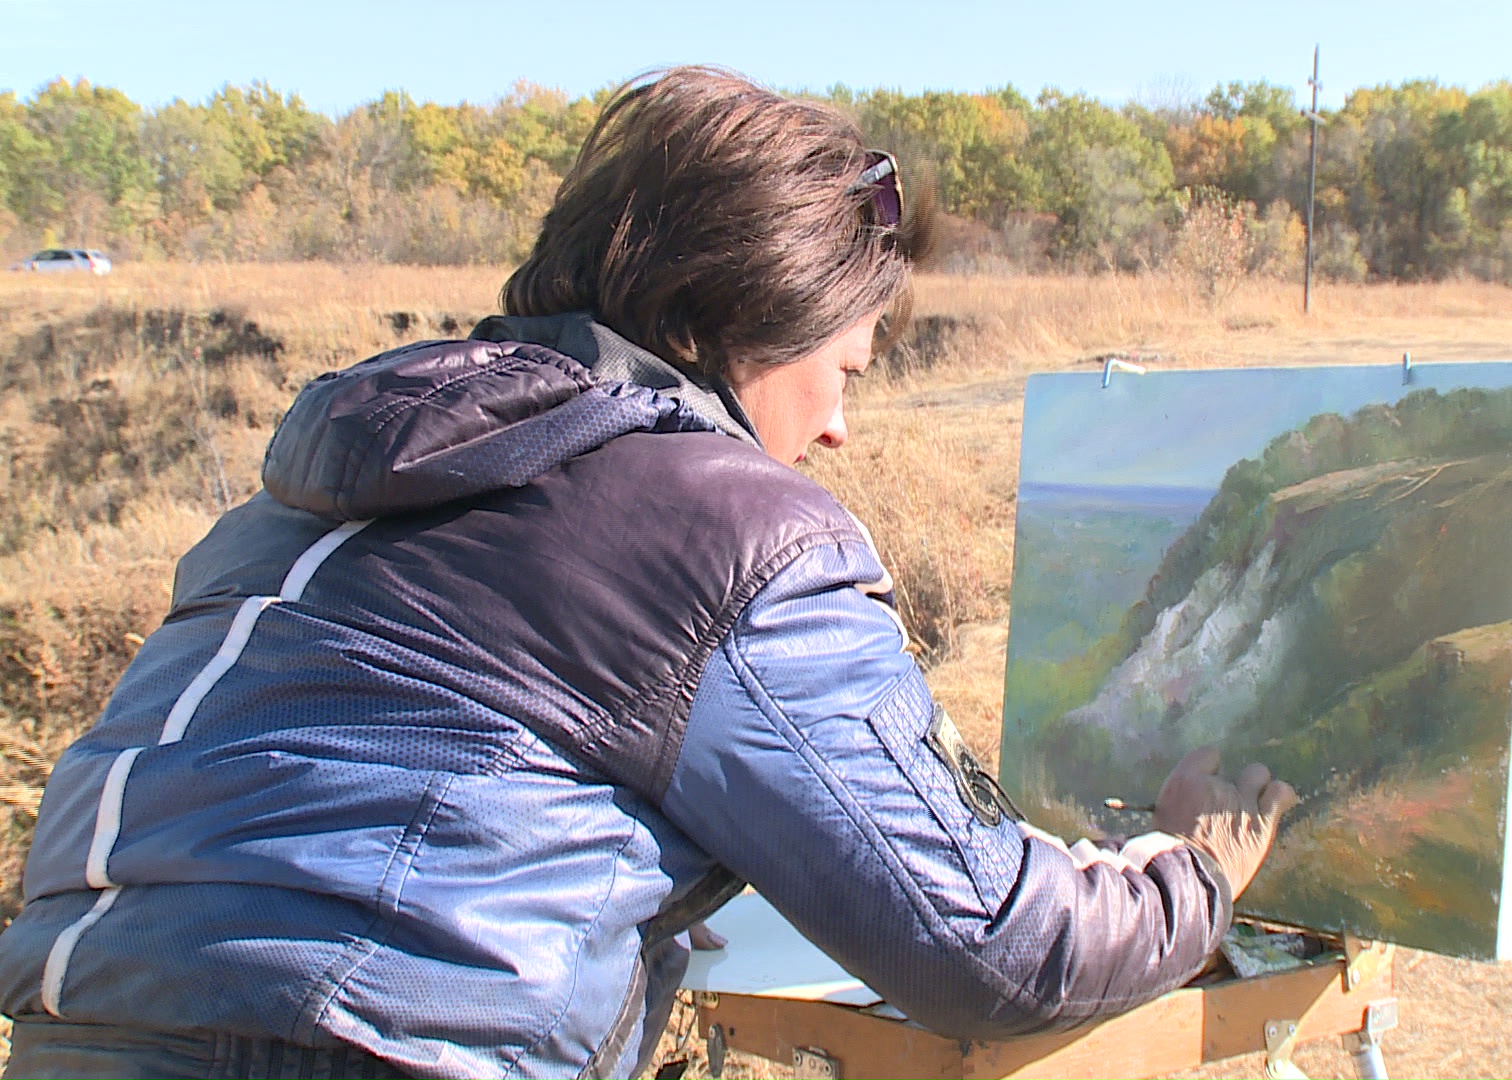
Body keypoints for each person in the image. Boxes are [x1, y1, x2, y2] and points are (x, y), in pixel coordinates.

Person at [0, 67, 1294, 1080]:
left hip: (78, 1030)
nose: (839, 428)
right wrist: (1196, 872)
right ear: (753, 317)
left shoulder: (322, 481)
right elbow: (990, 945)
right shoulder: (732, 524)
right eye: (844, 368)